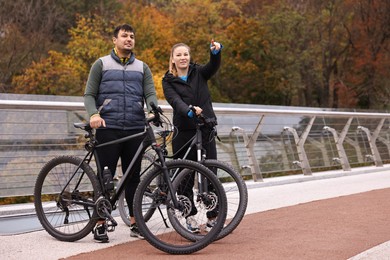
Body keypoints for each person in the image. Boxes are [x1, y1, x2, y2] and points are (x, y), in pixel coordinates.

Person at [84, 24, 158, 243]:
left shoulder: (142, 67)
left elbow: (150, 93)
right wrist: (94, 114)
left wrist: (154, 109)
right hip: (108, 127)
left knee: (133, 177)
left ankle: (136, 223)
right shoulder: (101, 64)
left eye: (132, 36)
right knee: (104, 178)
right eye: (124, 36)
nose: (129, 39)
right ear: (114, 40)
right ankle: (99, 224)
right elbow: (89, 95)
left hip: (135, 128)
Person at [162, 40, 222, 233]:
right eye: (178, 55)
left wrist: (215, 53)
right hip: (184, 131)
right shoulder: (168, 80)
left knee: (211, 171)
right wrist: (188, 110)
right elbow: (174, 101)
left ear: (189, 57)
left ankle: (213, 216)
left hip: (205, 128)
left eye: (185, 54)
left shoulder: (199, 72)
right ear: (172, 59)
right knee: (185, 176)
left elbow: (213, 67)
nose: (182, 58)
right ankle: (190, 216)